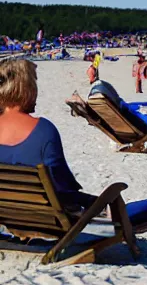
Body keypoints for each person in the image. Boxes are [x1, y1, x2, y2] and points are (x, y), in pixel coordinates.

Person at [0, 59, 95, 211]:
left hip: (5, 216)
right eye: (34, 84)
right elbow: (62, 188)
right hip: (46, 218)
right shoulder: (43, 130)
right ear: (26, 88)